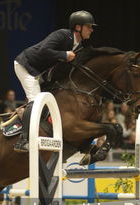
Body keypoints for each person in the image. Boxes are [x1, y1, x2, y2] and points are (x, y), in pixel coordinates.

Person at [13, 10, 96, 152]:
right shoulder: (62, 35)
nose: (92, 30)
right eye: (89, 26)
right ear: (78, 27)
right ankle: (23, 141)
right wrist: (64, 54)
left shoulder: (79, 46)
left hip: (41, 73)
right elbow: (43, 51)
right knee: (35, 101)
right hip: (26, 65)